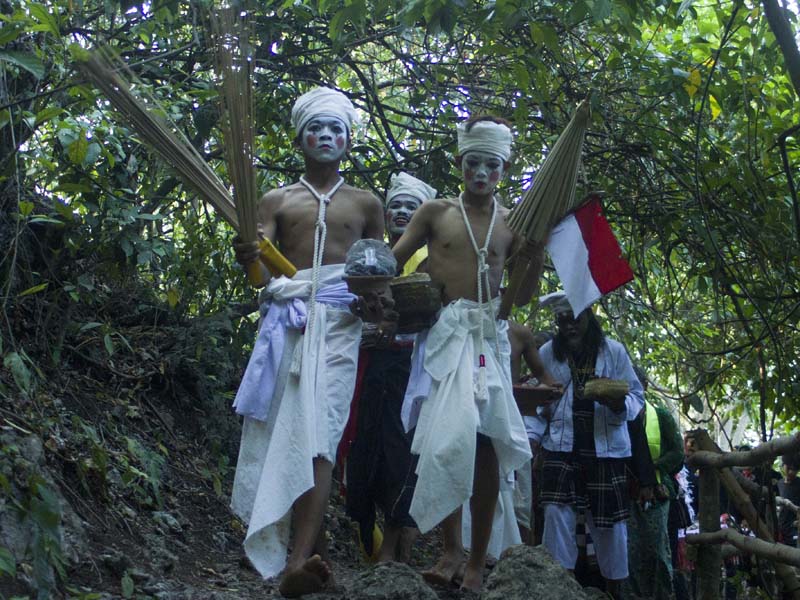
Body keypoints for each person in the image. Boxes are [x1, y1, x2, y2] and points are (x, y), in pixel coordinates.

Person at [229, 86, 384, 598]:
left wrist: (373, 304)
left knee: (321, 440)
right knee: (285, 433)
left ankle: (299, 558)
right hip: (290, 320)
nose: (326, 136)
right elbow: (258, 276)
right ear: (300, 138)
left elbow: (378, 274)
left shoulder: (367, 203)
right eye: (316, 128)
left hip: (341, 323)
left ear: (348, 140)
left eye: (335, 129)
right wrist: (248, 253)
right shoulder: (276, 199)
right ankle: (288, 550)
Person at [393, 116, 534, 591]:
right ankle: (450, 549)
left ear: (503, 169)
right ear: (459, 163)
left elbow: (524, 293)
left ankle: (476, 559)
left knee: (488, 442)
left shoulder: (513, 224)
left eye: (490, 165)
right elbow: (392, 261)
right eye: (473, 162)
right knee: (446, 437)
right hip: (445, 333)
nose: (480, 173)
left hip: (486, 337)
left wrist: (533, 255)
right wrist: (372, 293)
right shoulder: (435, 212)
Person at [344, 172, 437, 563]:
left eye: (409, 207)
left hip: (411, 368)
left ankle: (397, 546)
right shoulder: (369, 256)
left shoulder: (433, 259)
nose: (401, 212)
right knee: (364, 449)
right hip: (371, 364)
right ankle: (372, 540)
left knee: (401, 452)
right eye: (394, 205)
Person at [528, 292, 644, 600]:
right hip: (560, 447)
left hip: (606, 450)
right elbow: (538, 404)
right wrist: (532, 441)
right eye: (561, 321)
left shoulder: (614, 352)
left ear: (589, 316)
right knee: (555, 514)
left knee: (611, 526)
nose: (568, 327)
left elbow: (637, 399)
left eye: (574, 319)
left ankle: (613, 593)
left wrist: (619, 403)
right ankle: (561, 589)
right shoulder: (547, 353)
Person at [626, 365, 684, 600]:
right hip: (628, 494)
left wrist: (652, 466)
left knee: (658, 552)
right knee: (630, 553)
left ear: (645, 387)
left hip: (657, 496)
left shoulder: (660, 416)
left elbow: (678, 454)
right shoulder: (618, 416)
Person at [778, 453, 800, 547]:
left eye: (794, 469)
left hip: (795, 527)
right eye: (789, 468)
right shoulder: (779, 483)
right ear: (783, 466)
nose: (791, 472)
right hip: (782, 527)